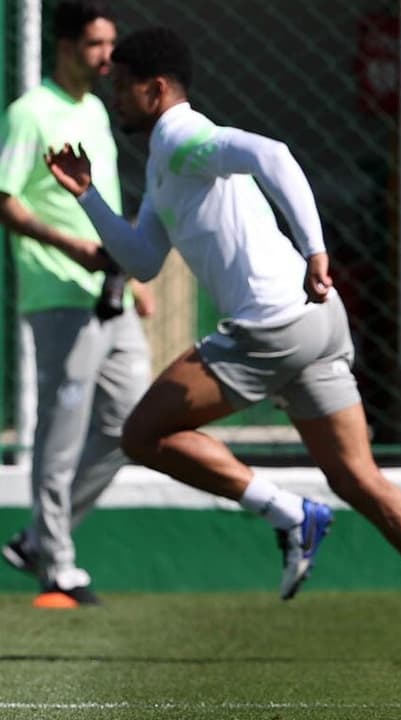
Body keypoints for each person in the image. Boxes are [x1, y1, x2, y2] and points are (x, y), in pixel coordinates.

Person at [44, 26, 401, 661]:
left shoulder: (180, 134)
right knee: (358, 478)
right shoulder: (161, 157)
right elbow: (144, 259)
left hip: (273, 324)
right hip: (315, 323)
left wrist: (316, 250)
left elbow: (275, 155)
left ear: (154, 90)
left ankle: (288, 512)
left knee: (141, 434)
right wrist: (89, 196)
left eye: (121, 87)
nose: (112, 97)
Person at [0, 0, 155, 608]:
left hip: (111, 293)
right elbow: (6, 200)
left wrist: (131, 276)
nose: (108, 57)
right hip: (60, 294)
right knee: (61, 435)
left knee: (131, 424)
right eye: (96, 44)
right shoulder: (29, 113)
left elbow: (106, 203)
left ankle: (40, 537)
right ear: (65, 46)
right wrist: (75, 249)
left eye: (111, 43)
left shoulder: (96, 109)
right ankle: (57, 566)